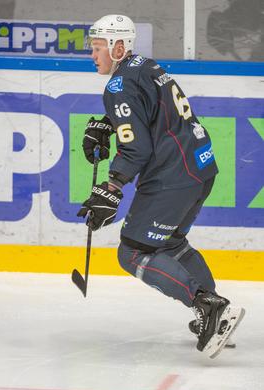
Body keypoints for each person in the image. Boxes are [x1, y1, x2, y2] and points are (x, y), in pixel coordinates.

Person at [77, 14, 245, 358]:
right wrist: (111, 123)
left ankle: (208, 306)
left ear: (119, 47)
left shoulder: (117, 86)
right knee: (172, 243)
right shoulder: (147, 66)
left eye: (97, 48)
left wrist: (112, 185)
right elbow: (153, 110)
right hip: (201, 166)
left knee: (133, 252)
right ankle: (217, 312)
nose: (92, 56)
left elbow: (137, 147)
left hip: (173, 176)